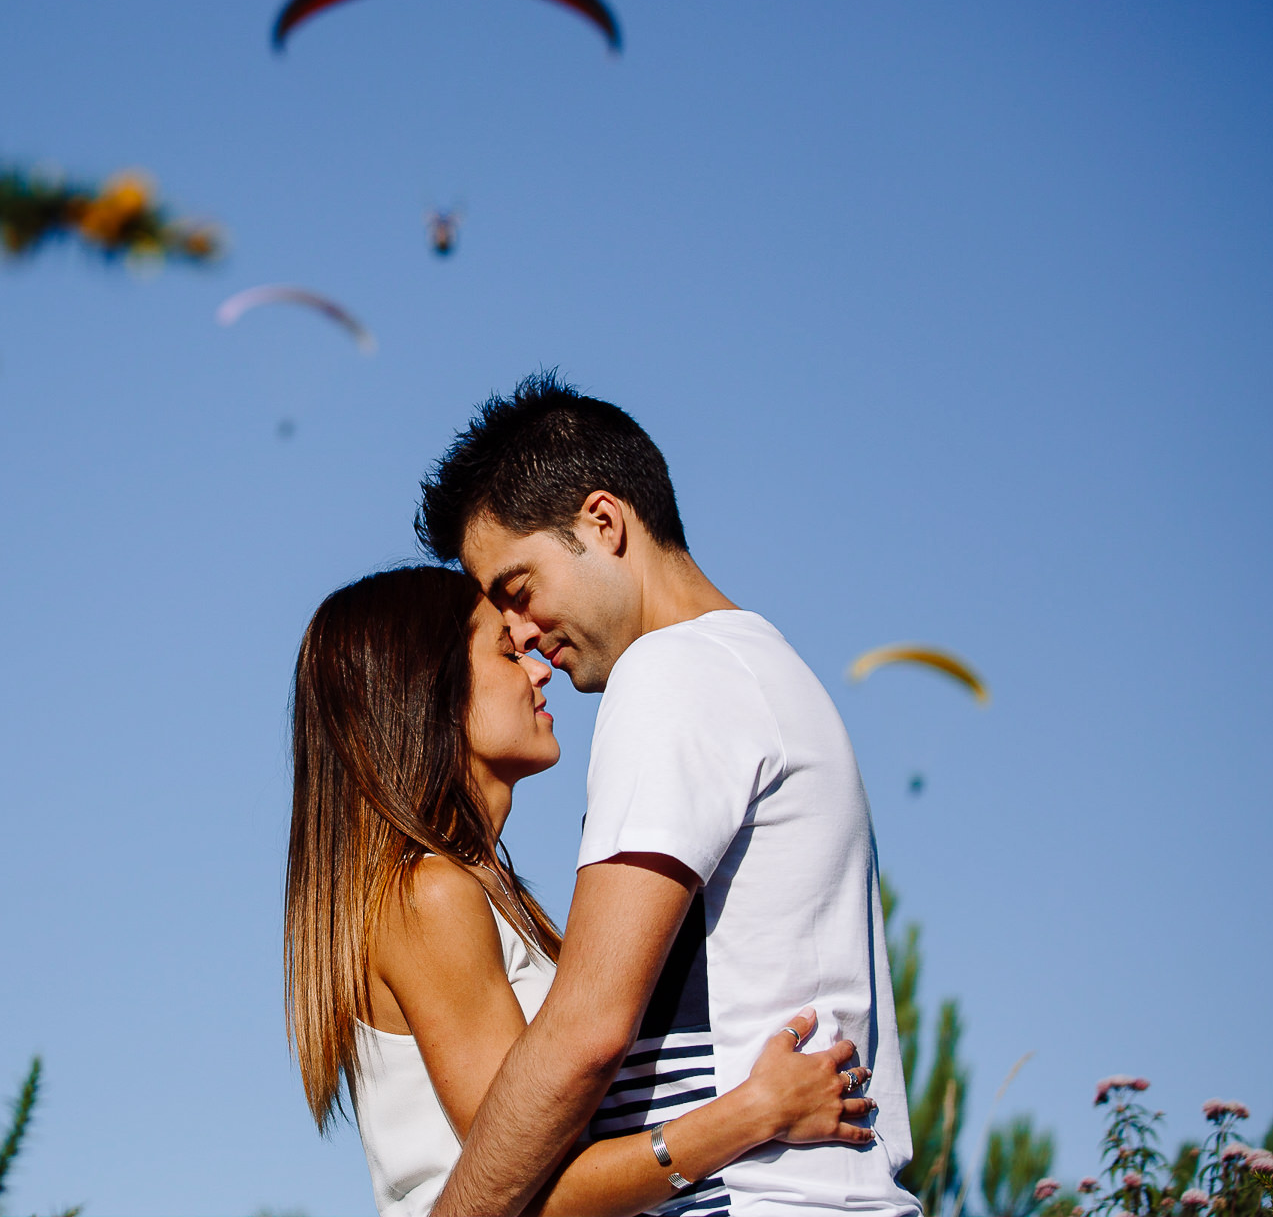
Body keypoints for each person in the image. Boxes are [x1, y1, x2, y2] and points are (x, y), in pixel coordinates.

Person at [413, 375, 919, 1217]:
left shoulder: (673, 673)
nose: (524, 636)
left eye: (520, 589)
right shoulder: (758, 666)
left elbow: (585, 1031)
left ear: (603, 523)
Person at [286, 565, 878, 1217]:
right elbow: (526, 1185)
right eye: (507, 653)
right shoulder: (429, 896)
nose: (539, 670)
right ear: (431, 691)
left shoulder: (476, 894)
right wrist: (754, 1113)